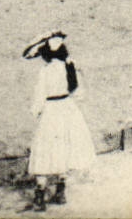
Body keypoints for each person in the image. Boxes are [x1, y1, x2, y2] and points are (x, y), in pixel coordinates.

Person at [22, 32, 96, 211]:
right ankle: (60, 191)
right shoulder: (70, 66)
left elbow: (40, 94)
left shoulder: (46, 71)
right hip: (68, 109)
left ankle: (40, 195)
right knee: (65, 148)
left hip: (51, 110)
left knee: (45, 149)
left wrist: (35, 110)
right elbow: (79, 93)